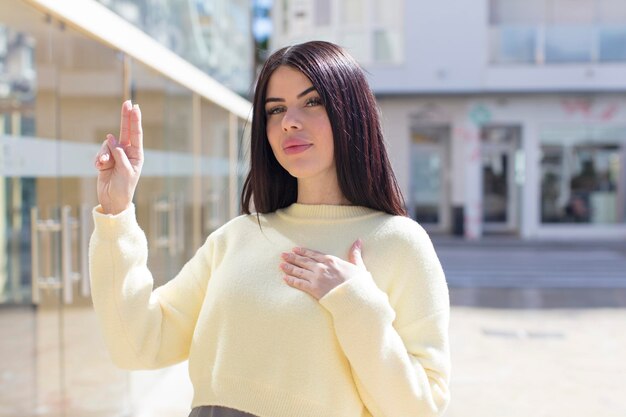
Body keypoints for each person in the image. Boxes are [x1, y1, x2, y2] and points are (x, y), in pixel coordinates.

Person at [90, 41, 451, 417]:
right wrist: (116, 213)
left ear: (352, 113)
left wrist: (355, 305)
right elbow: (136, 344)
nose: (289, 122)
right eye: (275, 109)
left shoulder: (399, 244)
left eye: (312, 102)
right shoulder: (237, 238)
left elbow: (420, 408)